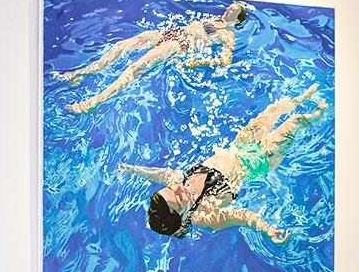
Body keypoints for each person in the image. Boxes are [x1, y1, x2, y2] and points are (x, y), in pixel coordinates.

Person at [118, 84, 327, 241]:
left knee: (272, 111)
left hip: (241, 144)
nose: (180, 189)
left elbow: (161, 174)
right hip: (260, 161)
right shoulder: (205, 216)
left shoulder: (179, 184)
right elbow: (241, 217)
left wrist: (133, 170)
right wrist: (267, 229)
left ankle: (302, 97)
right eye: (180, 200)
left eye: (172, 189)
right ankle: (321, 113)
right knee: (294, 122)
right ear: (183, 218)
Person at [56, 1, 249, 113]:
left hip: (177, 45)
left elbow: (226, 60)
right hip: (171, 32)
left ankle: (92, 103)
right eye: (229, 7)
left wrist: (196, 62)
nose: (227, 9)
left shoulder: (228, 35)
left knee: (134, 69)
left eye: (233, 10)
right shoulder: (215, 20)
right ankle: (80, 73)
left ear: (238, 18)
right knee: (121, 46)